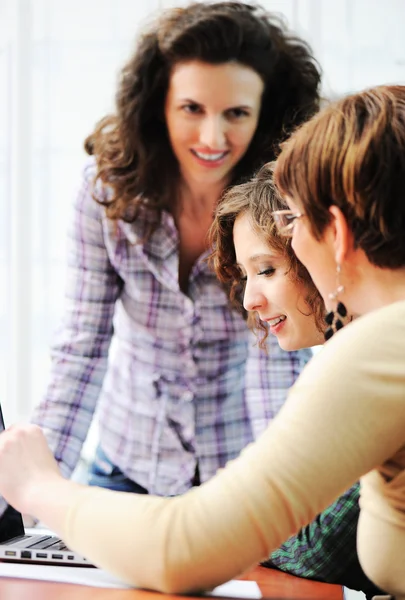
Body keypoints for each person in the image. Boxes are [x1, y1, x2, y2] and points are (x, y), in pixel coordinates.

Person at [1, 84, 404, 598]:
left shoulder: (377, 348)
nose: (291, 239)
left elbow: (180, 549)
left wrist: (38, 485)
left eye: (294, 220)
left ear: (339, 232)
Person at [31, 1, 321, 498]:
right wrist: (31, 489)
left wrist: (285, 498)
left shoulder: (280, 205)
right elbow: (82, 347)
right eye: (192, 108)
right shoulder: (106, 197)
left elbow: (277, 359)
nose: (213, 137)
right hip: (125, 464)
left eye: (236, 113)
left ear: (265, 113)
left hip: (239, 471)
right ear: (158, 104)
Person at [210, 165, 382, 599]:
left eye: (266, 269)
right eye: (247, 275)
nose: (250, 299)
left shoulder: (374, 365)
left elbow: (318, 548)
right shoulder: (339, 360)